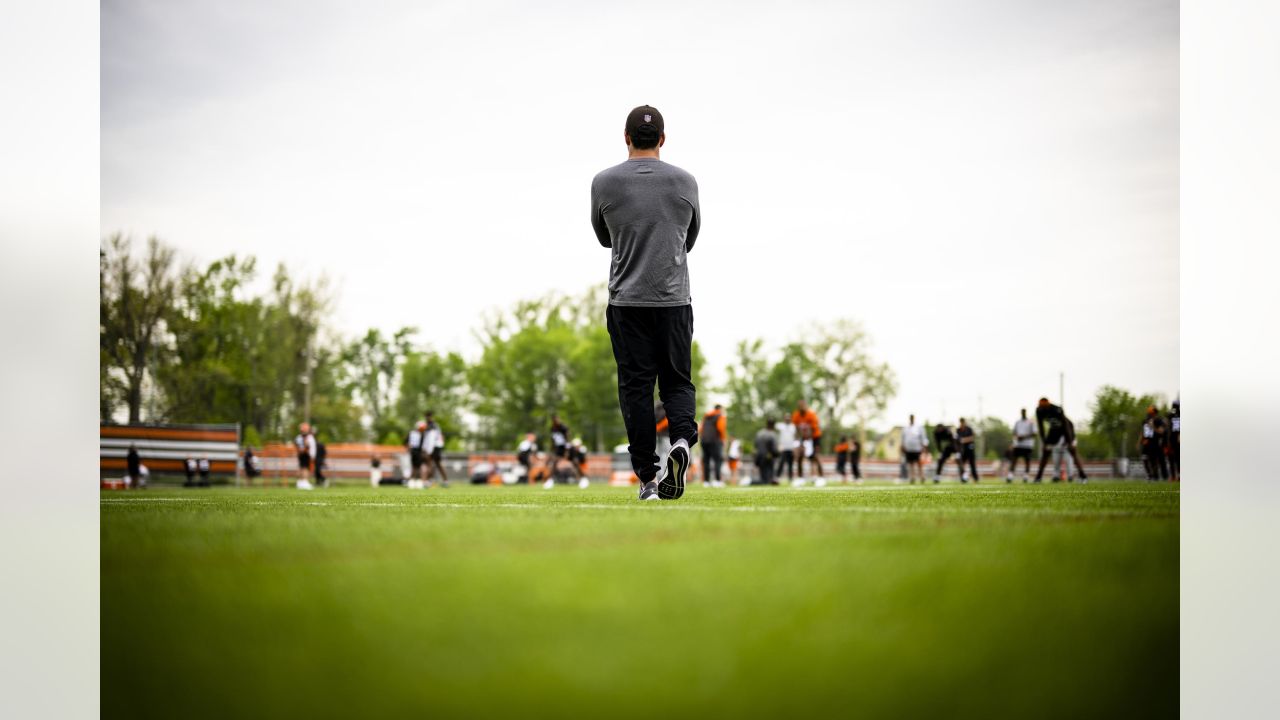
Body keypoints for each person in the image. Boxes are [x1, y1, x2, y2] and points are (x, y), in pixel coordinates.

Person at [593, 104, 701, 502]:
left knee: (636, 388)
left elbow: (605, 237)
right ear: (662, 139)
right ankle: (682, 443)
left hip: (627, 301)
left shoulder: (603, 182)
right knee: (676, 381)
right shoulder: (685, 182)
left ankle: (648, 480)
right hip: (673, 299)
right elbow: (689, 237)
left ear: (625, 138)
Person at [1033, 398, 1088, 483]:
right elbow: (1041, 427)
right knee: (1046, 452)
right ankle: (1038, 477)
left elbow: (1065, 425)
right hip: (1054, 430)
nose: (1043, 408)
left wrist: (1069, 442)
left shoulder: (1056, 409)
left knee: (1072, 451)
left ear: (1048, 405)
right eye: (1041, 407)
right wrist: (1044, 442)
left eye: (1044, 407)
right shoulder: (1039, 410)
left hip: (1067, 429)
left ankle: (1083, 476)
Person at [791, 400, 825, 479]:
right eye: (800, 406)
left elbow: (812, 429)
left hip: (814, 437)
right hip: (803, 437)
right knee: (800, 456)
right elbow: (796, 429)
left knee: (815, 456)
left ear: (806, 406)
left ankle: (821, 477)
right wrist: (797, 442)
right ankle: (800, 478)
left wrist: (807, 443)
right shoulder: (796, 415)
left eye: (803, 405)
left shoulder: (811, 415)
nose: (802, 407)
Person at [1139, 406, 1169, 482]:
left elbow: (1161, 431)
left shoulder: (1159, 420)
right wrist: (1140, 441)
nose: (1150, 414)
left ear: (1155, 413)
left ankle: (1158, 476)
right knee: (1144, 458)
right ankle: (1149, 475)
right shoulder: (1145, 420)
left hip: (1155, 443)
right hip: (1146, 443)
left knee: (1156, 460)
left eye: (1151, 413)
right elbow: (1143, 432)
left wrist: (1153, 426)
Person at [700, 405, 727, 487]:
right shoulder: (720, 415)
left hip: (704, 440)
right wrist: (723, 439)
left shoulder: (706, 416)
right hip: (715, 441)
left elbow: (701, 428)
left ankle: (706, 481)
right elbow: (720, 428)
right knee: (717, 460)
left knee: (706, 461)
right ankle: (717, 480)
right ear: (720, 409)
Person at [1008, 408, 1036, 483]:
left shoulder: (1031, 422)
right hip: (1018, 444)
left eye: (1024, 412)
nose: (1023, 413)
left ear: (1026, 412)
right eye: (1022, 412)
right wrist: (1016, 438)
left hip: (1028, 445)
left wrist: (1024, 437)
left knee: (1027, 460)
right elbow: (1014, 432)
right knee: (1014, 460)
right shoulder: (1017, 422)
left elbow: (1034, 433)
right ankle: (1010, 476)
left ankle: (1026, 476)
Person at [423, 411, 449, 487]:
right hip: (436, 446)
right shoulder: (433, 425)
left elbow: (432, 438)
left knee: (431, 463)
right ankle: (442, 481)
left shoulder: (432, 425)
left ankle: (428, 481)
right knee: (436, 464)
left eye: (428, 416)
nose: (427, 418)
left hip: (434, 446)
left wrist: (428, 450)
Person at [901, 414, 928, 484]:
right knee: (911, 464)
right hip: (908, 449)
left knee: (920, 464)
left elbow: (923, 437)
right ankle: (912, 477)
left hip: (917, 448)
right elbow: (903, 438)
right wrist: (903, 446)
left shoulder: (919, 427)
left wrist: (924, 446)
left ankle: (922, 477)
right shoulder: (906, 428)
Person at [754, 419, 780, 486]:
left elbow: (755, 445)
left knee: (763, 476)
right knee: (769, 477)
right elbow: (774, 448)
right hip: (768, 457)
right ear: (773, 425)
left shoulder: (759, 433)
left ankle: (761, 482)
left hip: (759, 456)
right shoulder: (772, 434)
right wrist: (777, 454)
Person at [955, 418, 980, 483]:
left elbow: (972, 437)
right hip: (962, 449)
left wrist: (964, 440)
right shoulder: (958, 430)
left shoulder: (969, 429)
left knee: (972, 464)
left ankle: (975, 478)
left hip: (970, 448)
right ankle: (963, 477)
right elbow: (957, 439)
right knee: (961, 463)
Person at [406, 420, 429, 485]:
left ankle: (414, 480)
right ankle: (419, 480)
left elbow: (406, 443)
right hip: (417, 451)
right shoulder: (420, 434)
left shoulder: (412, 433)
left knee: (415, 467)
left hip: (414, 451)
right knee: (419, 466)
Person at [294, 422, 315, 489]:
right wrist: (304, 450)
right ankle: (304, 482)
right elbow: (304, 446)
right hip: (305, 454)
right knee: (305, 468)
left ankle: (301, 482)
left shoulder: (305, 437)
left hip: (305, 454)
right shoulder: (303, 437)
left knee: (303, 468)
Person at [775, 417, 797, 482]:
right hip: (783, 448)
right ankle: (777, 477)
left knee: (790, 464)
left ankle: (790, 478)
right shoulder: (781, 425)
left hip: (791, 448)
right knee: (781, 462)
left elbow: (795, 436)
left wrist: (794, 447)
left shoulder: (793, 426)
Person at [1168, 400, 1180, 482]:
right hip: (1172, 438)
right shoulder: (1171, 415)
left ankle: (1178, 475)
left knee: (1178, 458)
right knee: (1172, 458)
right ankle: (1173, 476)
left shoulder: (1176, 415)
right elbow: (1169, 426)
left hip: (1176, 438)